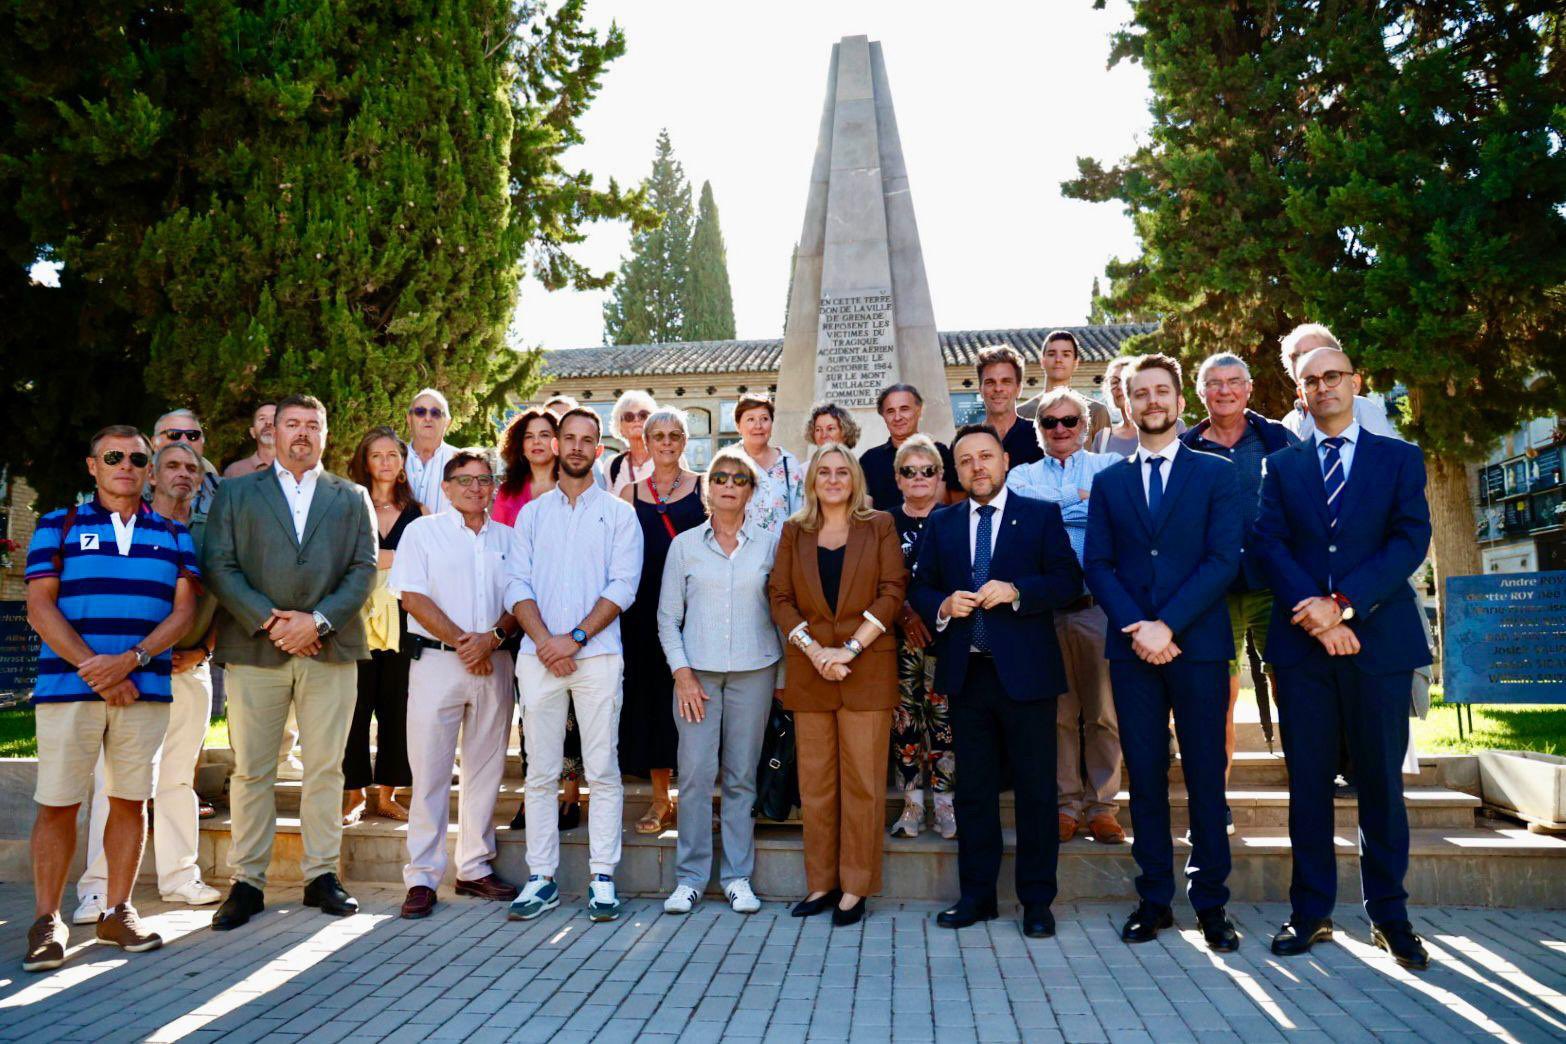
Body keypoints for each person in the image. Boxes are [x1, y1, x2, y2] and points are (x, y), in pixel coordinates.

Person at [1254, 345, 1433, 971]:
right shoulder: (1282, 465)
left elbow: (1410, 539)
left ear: (1355, 382)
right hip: (1304, 650)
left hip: (1378, 645)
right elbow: (1269, 543)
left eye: (1333, 376)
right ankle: (1310, 914)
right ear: (1300, 393)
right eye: (1311, 380)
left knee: (1381, 786)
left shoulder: (1399, 459)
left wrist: (1345, 604)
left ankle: (1390, 916)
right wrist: (1315, 610)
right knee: (1307, 788)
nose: (1324, 386)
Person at [1083, 354, 1244, 952]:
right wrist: (1137, 626)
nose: (1151, 401)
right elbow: (1097, 563)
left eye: (1161, 392)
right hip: (1132, 654)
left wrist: (1167, 625)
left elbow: (1224, 559)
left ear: (1180, 402)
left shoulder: (1216, 474)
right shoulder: (1110, 482)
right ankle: (1153, 899)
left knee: (1205, 778)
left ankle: (1211, 905)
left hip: (1197, 647)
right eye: (1139, 393)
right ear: (1125, 405)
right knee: (1145, 779)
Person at [22, 426, 198, 971]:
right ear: (92, 466)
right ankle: (48, 921)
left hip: (142, 689)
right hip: (68, 690)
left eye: (137, 458)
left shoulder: (173, 534)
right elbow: (38, 607)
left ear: (149, 469)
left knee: (130, 799)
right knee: (58, 803)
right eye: (113, 456)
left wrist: (134, 660)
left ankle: (117, 911)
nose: (126, 464)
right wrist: (96, 670)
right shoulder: (59, 523)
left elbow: (184, 612)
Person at [203, 394, 378, 930]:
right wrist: (270, 620)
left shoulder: (351, 497)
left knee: (326, 767)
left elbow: (363, 568)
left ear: (326, 433)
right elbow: (219, 563)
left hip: (331, 648)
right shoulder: (235, 493)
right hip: (257, 647)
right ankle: (248, 881)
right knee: (252, 769)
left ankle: (321, 874)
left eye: (312, 425)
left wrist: (317, 622)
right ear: (271, 433)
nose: (302, 433)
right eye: (292, 424)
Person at [909, 425, 1082, 938]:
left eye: (986, 456)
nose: (977, 466)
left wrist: (1017, 591)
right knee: (975, 794)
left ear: (1004, 461)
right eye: (966, 460)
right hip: (968, 675)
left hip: (1027, 676)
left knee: (1035, 792)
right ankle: (978, 896)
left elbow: (1068, 581)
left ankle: (1036, 902)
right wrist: (941, 604)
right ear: (956, 471)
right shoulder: (942, 525)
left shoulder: (1040, 516)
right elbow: (920, 585)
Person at [75, 441, 222, 926]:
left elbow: (220, 600)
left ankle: (180, 877)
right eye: (172, 467)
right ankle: (97, 891)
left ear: (200, 480)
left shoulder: (209, 534)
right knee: (111, 783)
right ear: (152, 476)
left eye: (192, 469)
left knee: (179, 777)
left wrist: (202, 651)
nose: (183, 475)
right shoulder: (125, 527)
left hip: (189, 671)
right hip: (129, 676)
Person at [505, 408, 643, 924]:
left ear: (599, 450)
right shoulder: (532, 515)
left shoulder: (619, 514)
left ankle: (602, 877)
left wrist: (576, 639)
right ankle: (540, 878)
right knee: (540, 771)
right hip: (538, 658)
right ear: (557, 446)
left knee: (602, 770)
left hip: (598, 655)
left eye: (589, 440)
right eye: (571, 438)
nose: (579, 447)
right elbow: (516, 584)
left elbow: (622, 587)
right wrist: (545, 642)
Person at [769, 442, 905, 927]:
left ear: (854, 480)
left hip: (864, 671)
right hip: (812, 673)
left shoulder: (879, 526)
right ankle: (821, 883)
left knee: (864, 787)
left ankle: (855, 887)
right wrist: (815, 651)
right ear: (812, 481)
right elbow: (780, 595)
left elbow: (893, 591)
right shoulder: (793, 532)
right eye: (823, 472)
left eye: (841, 472)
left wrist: (848, 650)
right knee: (818, 786)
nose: (831, 479)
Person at [390, 450, 522, 918]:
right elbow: (412, 597)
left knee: (485, 770)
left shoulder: (510, 538)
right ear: (446, 488)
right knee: (428, 771)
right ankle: (422, 876)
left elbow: (520, 598)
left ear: (493, 487)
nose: (474, 488)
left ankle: (474, 868)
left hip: (497, 662)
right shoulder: (422, 533)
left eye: (484, 480)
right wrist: (467, 644)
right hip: (438, 663)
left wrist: (492, 640)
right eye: (464, 480)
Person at [657, 447, 779, 915]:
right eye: (721, 477)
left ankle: (737, 877)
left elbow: (780, 610)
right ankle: (689, 878)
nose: (729, 485)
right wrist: (682, 674)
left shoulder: (771, 542)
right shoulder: (684, 546)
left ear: (751, 491)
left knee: (741, 777)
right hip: (697, 677)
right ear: (709, 488)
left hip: (755, 671)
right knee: (693, 775)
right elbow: (668, 618)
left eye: (739, 479)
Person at [1005, 389, 1125, 846]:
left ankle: (1103, 806)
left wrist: (1055, 508)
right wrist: (1078, 505)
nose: (1059, 429)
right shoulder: (1020, 475)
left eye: (1069, 421)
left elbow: (1108, 520)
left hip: (1096, 607)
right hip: (1043, 613)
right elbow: (1031, 529)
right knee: (1057, 715)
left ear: (1086, 426)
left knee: (1104, 714)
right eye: (1049, 422)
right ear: (1038, 431)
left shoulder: (1110, 469)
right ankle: (1065, 805)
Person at [1180, 354, 1297, 817]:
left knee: (1292, 684)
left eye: (1233, 382)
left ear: (1248, 389)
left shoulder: (1276, 439)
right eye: (1214, 384)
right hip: (1214, 591)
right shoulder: (1186, 448)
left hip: (1274, 583)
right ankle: (1213, 803)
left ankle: (1307, 788)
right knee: (1216, 696)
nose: (1224, 391)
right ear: (1201, 393)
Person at [492, 408, 585, 830]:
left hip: (574, 619)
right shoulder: (510, 493)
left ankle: (571, 796)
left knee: (572, 713)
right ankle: (536, 797)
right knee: (533, 709)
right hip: (524, 616)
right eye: (528, 435)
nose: (536, 442)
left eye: (545, 434)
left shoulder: (581, 487)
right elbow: (502, 556)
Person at [619, 407, 706, 834]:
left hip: (695, 612)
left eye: (675, 434)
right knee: (653, 706)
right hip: (642, 614)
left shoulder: (705, 487)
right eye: (659, 436)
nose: (667, 442)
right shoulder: (631, 494)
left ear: (685, 441)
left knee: (697, 707)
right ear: (646, 442)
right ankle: (660, 800)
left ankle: (696, 799)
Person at [341, 428, 420, 825]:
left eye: (393, 454)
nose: (386, 462)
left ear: (402, 462)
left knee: (397, 709)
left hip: (405, 619)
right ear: (365, 461)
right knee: (355, 708)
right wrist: (389, 557)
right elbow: (342, 558)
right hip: (356, 617)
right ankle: (353, 794)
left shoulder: (417, 511)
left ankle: (387, 795)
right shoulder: (350, 505)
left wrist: (382, 558)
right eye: (377, 455)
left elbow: (423, 562)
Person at [885, 436, 956, 841]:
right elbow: (878, 578)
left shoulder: (956, 517)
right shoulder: (884, 522)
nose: (918, 478)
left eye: (927, 470)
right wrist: (904, 612)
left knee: (944, 725)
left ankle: (945, 805)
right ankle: (912, 804)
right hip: (897, 639)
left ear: (940, 476)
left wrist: (932, 612)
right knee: (906, 724)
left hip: (946, 635)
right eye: (909, 471)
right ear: (897, 478)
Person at [1278, 324, 1396, 439]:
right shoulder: (1288, 424)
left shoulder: (1362, 409)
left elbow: (1386, 455)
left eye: (1313, 352)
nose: (1304, 361)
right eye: (1295, 357)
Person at [857, 384, 962, 511]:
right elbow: (864, 510)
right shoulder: (870, 460)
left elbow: (958, 506)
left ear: (919, 410)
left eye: (904, 409)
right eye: (890, 411)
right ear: (883, 416)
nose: (897, 417)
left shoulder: (941, 453)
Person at [1018, 330, 1111, 445]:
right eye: (1052, 354)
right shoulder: (1021, 413)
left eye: (1066, 354)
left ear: (1076, 363)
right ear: (1042, 361)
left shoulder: (1096, 412)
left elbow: (1106, 458)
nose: (1058, 360)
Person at [735, 392, 804, 534]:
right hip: (740, 552)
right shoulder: (728, 462)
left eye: (764, 419)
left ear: (772, 423)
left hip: (781, 552)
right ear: (738, 426)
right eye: (750, 419)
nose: (758, 426)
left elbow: (800, 516)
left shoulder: (788, 463)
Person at [976, 344, 1043, 468]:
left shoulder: (1041, 436)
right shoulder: (967, 441)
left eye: (1006, 382)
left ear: (1019, 389)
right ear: (980, 389)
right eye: (990, 382)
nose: (998, 388)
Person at [150, 409, 222, 516]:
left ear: (202, 443)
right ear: (154, 443)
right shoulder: (131, 489)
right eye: (174, 434)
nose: (184, 441)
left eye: (193, 435)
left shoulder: (227, 493)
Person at [404, 388, 458, 514]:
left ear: (447, 422)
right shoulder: (394, 460)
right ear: (409, 419)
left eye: (436, 413)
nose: (428, 418)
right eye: (420, 412)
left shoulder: (461, 462)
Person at [606, 390, 657, 495]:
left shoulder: (670, 457)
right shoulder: (613, 465)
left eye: (643, 415)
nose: (636, 419)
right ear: (620, 428)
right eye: (629, 417)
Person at [1092, 358, 1139, 456]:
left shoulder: (1171, 428)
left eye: (1126, 380)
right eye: (1114, 382)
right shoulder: (1103, 438)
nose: (1120, 386)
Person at [223, 402, 278, 478]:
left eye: (274, 418)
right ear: (252, 432)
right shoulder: (235, 471)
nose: (268, 422)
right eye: (262, 418)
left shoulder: (298, 467)